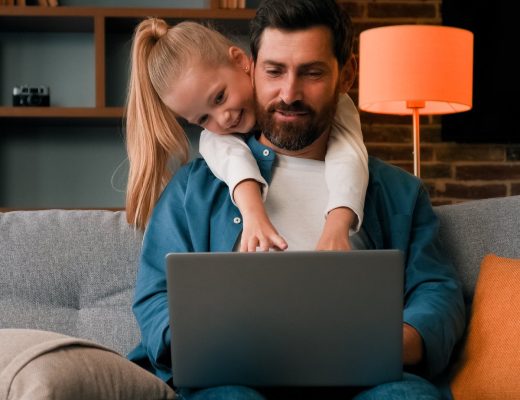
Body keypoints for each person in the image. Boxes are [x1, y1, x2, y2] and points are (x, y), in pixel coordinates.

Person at [128, 0, 466, 399]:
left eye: (312, 73)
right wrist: (208, 342)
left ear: (347, 75)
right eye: (274, 71)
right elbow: (154, 297)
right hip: (237, 381)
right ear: (250, 67)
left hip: (366, 381)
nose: (289, 93)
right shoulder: (193, 190)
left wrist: (395, 341)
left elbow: (436, 290)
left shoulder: (399, 193)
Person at [125, 18, 368, 252]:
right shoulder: (213, 146)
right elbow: (228, 154)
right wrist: (253, 214)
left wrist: (337, 227)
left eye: (220, 97)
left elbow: (349, 155)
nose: (223, 119)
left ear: (241, 60)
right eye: (203, 119)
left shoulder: (336, 107)